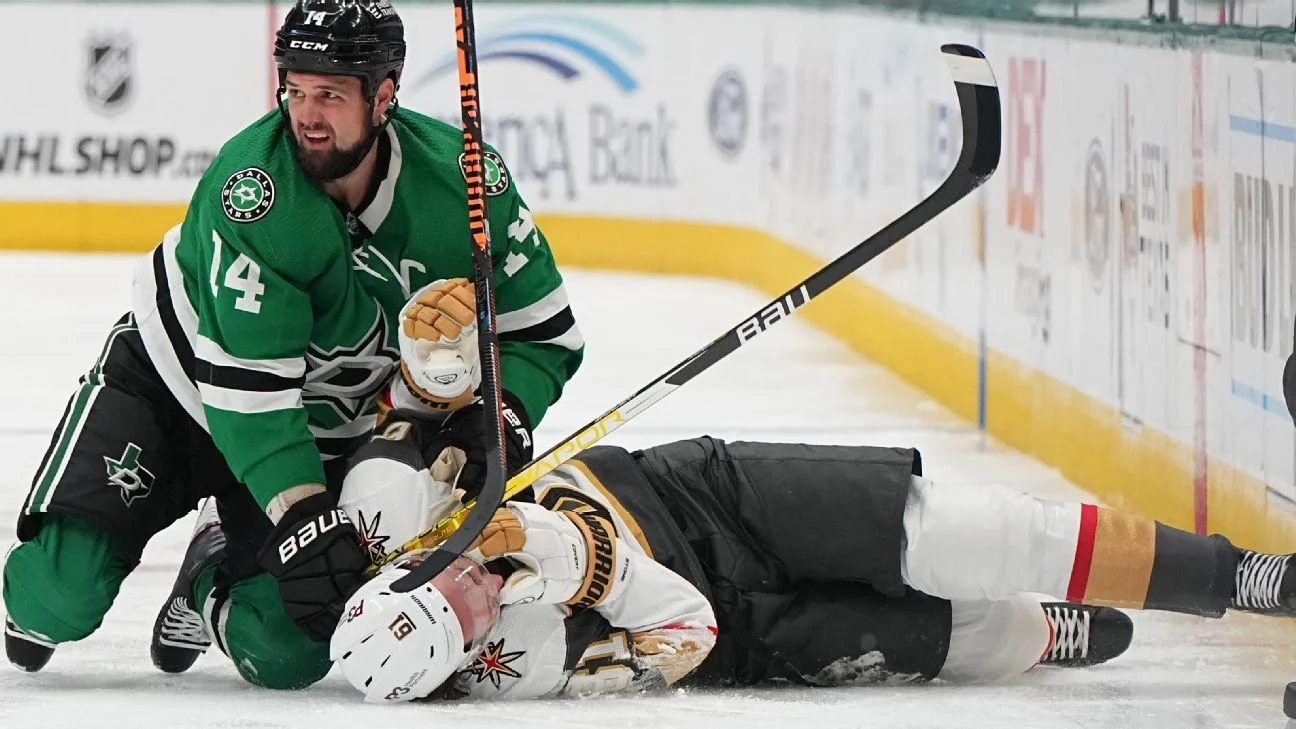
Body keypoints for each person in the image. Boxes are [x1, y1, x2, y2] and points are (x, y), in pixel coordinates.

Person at [1, 0, 583, 693]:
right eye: (296, 89)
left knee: (290, 644)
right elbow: (252, 395)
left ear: (385, 94)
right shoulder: (255, 193)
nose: (306, 113)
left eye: (330, 95)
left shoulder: (466, 185)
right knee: (53, 602)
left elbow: (539, 334)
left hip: (326, 430)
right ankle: (70, 572)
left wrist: (503, 411)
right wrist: (303, 513)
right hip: (178, 389)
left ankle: (209, 578)